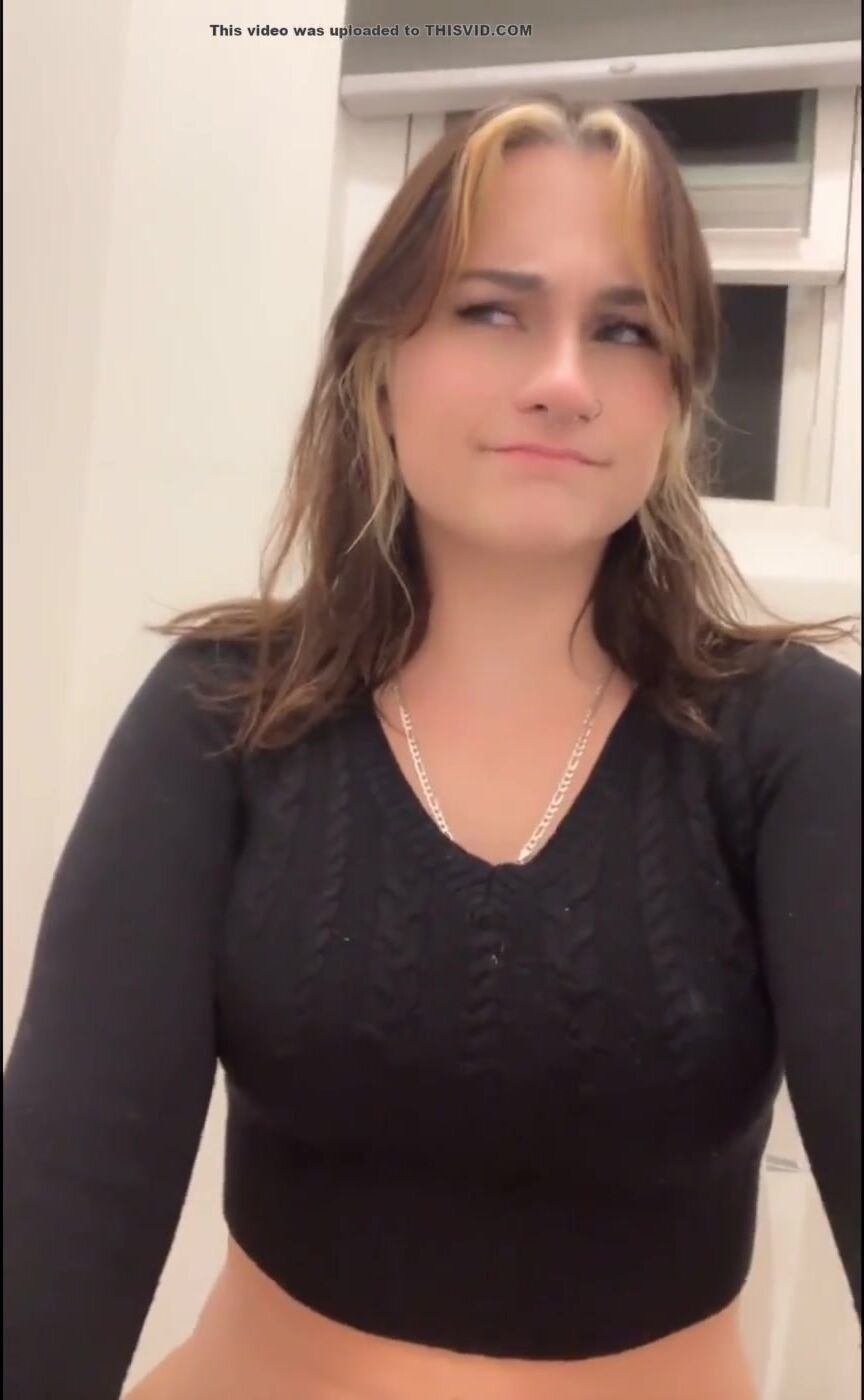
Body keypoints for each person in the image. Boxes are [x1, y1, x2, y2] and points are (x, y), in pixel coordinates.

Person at [4, 93, 861, 1400]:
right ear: (380, 362)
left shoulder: (795, 742)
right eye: (493, 310)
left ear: (674, 398)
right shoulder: (219, 716)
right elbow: (67, 1195)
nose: (563, 378)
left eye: (624, 329)